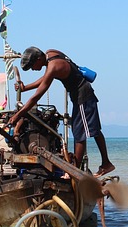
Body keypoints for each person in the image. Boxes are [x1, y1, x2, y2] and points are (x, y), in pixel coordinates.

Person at [9, 47, 115, 177]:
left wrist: (18, 115)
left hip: (83, 97)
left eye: (32, 66)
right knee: (91, 130)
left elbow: (36, 96)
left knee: (79, 133)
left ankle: (75, 172)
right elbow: (45, 77)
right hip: (82, 96)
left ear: (38, 59)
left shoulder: (53, 66)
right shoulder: (51, 54)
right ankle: (105, 163)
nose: (33, 69)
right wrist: (25, 88)